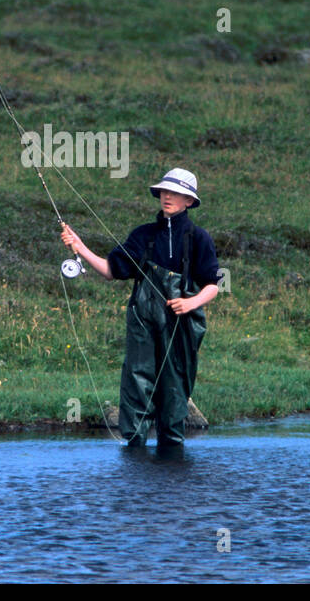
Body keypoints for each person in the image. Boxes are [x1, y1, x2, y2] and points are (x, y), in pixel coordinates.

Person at [61, 167, 220, 448]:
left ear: (189, 202)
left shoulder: (199, 238)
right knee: (137, 382)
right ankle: (134, 452)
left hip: (181, 323)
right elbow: (112, 270)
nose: (167, 196)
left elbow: (212, 285)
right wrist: (80, 247)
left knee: (175, 386)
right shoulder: (143, 235)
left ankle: (172, 451)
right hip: (142, 320)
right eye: (164, 191)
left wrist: (190, 302)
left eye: (176, 193)